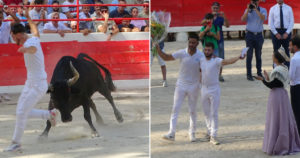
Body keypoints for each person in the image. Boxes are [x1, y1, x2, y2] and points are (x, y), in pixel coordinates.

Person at [3, 3, 57, 152]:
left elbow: (32, 49)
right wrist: (27, 17)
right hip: (30, 83)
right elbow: (34, 30)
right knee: (21, 110)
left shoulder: (30, 43)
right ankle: (49, 114)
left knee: (21, 112)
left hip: (39, 85)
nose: (12, 39)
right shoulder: (33, 37)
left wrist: (25, 49)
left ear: (18, 34)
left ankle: (16, 143)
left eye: (13, 36)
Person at [156, 33, 204, 142]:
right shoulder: (182, 53)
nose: (191, 44)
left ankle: (192, 133)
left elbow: (204, 70)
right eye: (190, 42)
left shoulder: (201, 56)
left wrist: (201, 84)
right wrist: (158, 50)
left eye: (193, 43)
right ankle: (171, 132)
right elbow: (167, 57)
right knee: (175, 109)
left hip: (194, 86)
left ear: (197, 43)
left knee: (192, 111)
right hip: (181, 85)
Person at [254, 48, 300, 155]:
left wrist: (263, 80)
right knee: (283, 118)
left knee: (276, 119)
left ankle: (277, 144)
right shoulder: (283, 67)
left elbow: (273, 85)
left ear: (276, 58)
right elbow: (277, 82)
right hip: (282, 95)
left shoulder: (278, 70)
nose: (272, 57)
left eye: (273, 56)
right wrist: (267, 77)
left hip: (276, 96)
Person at [200, 42, 245, 145]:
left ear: (213, 51)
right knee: (206, 113)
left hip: (214, 89)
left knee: (214, 113)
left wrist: (238, 57)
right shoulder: (201, 60)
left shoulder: (216, 60)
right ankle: (209, 131)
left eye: (209, 50)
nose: (207, 52)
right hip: (203, 88)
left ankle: (214, 135)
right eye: (205, 50)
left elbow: (228, 61)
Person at [201, 1, 230, 82]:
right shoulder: (209, 16)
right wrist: (210, 17)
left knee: (220, 58)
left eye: (217, 8)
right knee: (207, 57)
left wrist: (224, 16)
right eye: (214, 8)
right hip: (209, 41)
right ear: (211, 8)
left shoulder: (221, 18)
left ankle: (219, 75)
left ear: (219, 9)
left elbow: (227, 25)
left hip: (219, 40)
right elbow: (201, 23)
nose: (215, 9)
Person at [241, 0, 267, 81]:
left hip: (259, 35)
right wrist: (248, 10)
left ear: (258, 2)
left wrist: (256, 9)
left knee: (258, 55)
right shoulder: (248, 10)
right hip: (249, 35)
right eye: (252, 1)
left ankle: (259, 73)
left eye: (255, 1)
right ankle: (249, 74)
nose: (254, 3)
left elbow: (263, 18)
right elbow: (243, 19)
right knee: (249, 55)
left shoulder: (263, 9)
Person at [269, 0, 294, 68]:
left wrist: (287, 32)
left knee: (287, 51)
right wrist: (276, 33)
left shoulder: (289, 8)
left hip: (286, 31)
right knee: (276, 51)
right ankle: (276, 69)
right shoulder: (272, 9)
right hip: (276, 32)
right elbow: (270, 23)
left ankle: (287, 69)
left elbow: (291, 22)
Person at [289, 36, 300, 136]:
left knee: (297, 112)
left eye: (290, 46)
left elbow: (291, 76)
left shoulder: (294, 59)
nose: (289, 47)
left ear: (295, 47)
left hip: (296, 87)